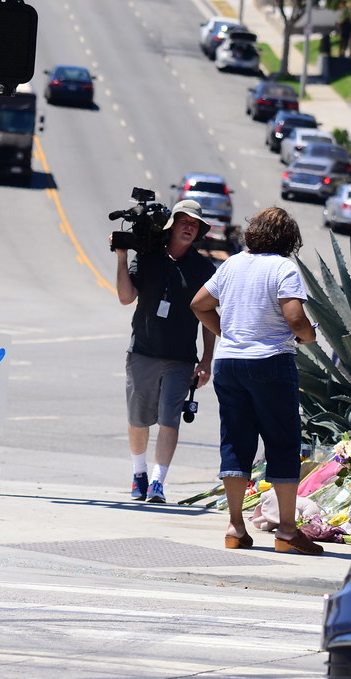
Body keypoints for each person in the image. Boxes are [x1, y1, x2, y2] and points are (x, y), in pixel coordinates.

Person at [190, 207, 323, 555]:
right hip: (270, 362)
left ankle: (235, 527)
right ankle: (288, 532)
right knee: (282, 441)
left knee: (235, 440)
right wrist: (308, 337)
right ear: (288, 239)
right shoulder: (283, 268)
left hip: (229, 362)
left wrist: (227, 333)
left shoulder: (232, 264)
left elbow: (199, 304)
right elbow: (295, 318)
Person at [114, 199, 216, 504]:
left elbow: (209, 319)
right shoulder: (147, 258)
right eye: (184, 221)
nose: (189, 227)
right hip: (143, 352)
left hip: (181, 358)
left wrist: (207, 360)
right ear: (172, 225)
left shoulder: (203, 268)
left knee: (169, 419)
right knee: (138, 420)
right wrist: (122, 256)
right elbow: (125, 296)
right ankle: (139, 474)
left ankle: (158, 483)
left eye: (194, 224)